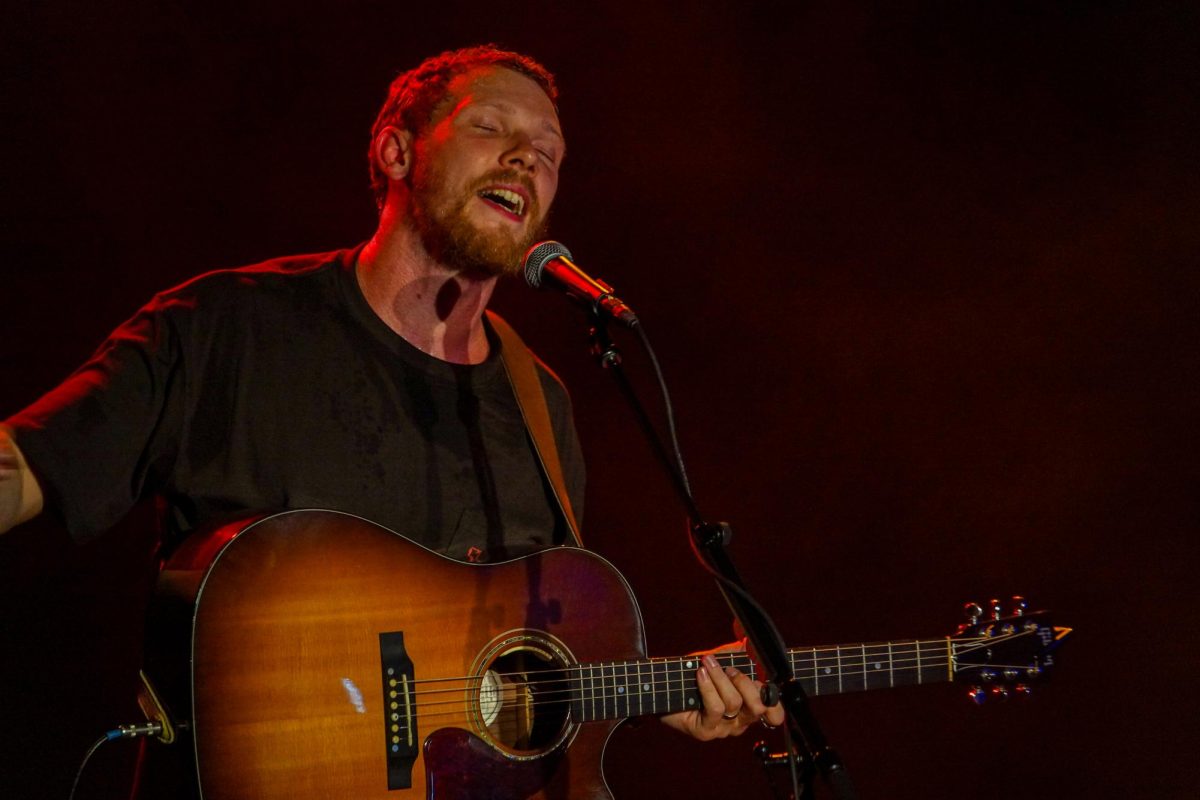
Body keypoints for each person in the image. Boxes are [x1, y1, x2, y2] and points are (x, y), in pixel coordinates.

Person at [0, 45, 784, 792]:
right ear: (396, 153)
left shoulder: (537, 402)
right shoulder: (226, 329)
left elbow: (508, 672)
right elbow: (28, 466)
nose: (526, 159)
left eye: (548, 152)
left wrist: (660, 688)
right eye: (491, 128)